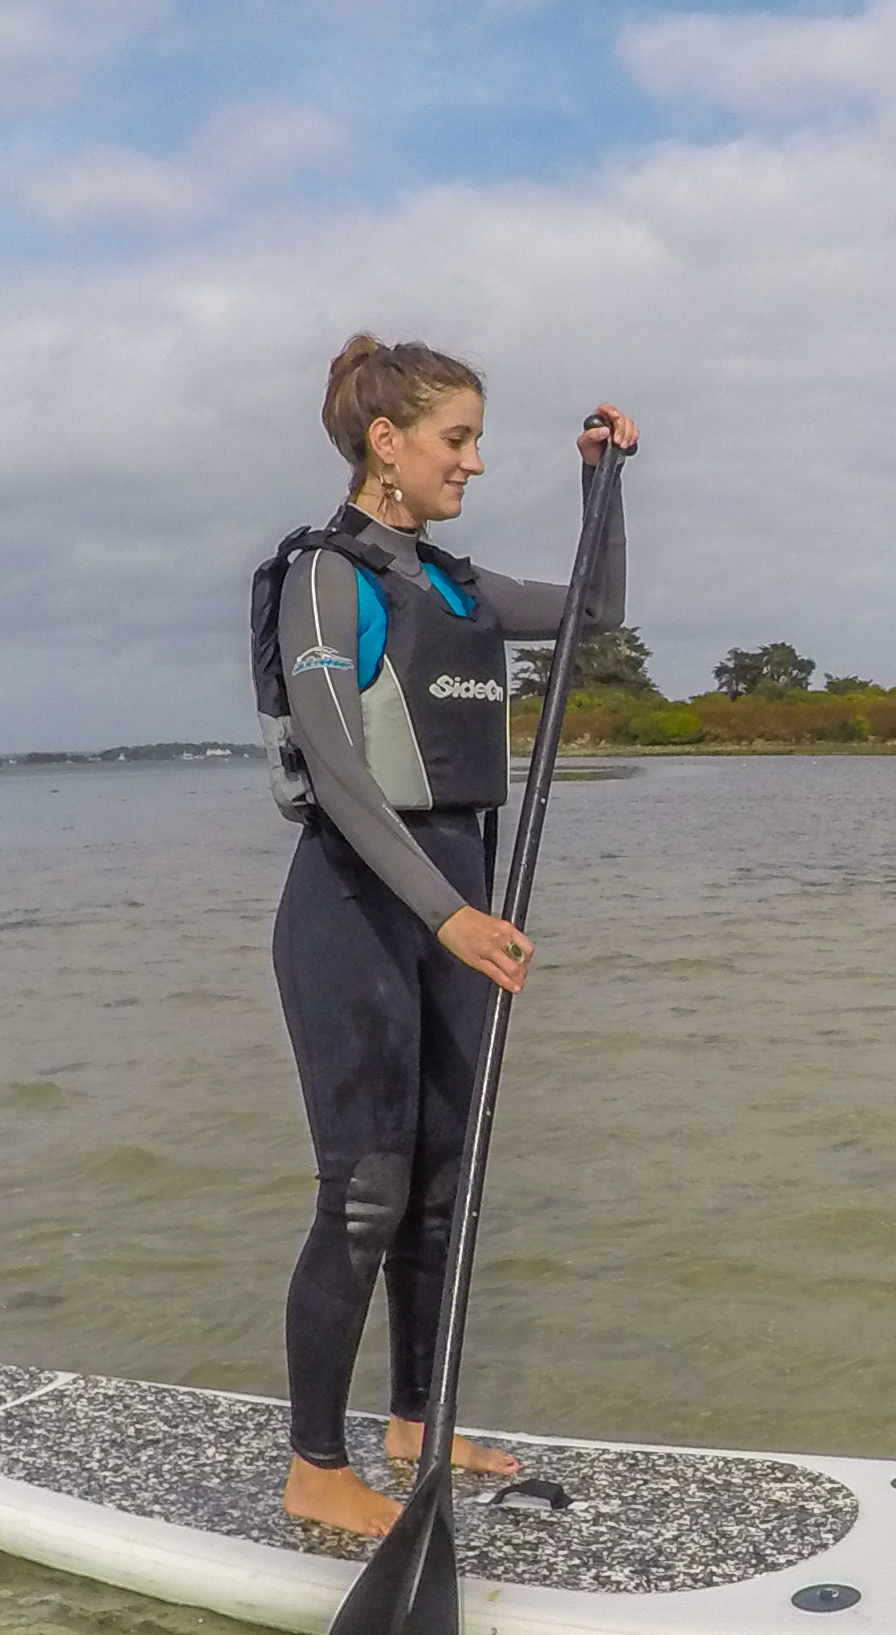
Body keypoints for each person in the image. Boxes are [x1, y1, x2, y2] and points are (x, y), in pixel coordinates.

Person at [260, 333, 635, 1537]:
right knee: (365, 1192)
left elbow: (595, 614)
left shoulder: (458, 588)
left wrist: (602, 485)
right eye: (455, 439)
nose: (472, 462)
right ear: (386, 443)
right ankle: (316, 1462)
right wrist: (449, 911)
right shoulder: (328, 577)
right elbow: (332, 759)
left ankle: (416, 1416)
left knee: (441, 1184)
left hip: (456, 907)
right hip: (361, 904)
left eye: (475, 439)